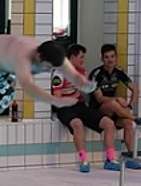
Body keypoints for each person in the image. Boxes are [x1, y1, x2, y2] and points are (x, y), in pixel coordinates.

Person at [0, 35, 95, 143]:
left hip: (4, 68)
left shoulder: (55, 56)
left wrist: (85, 85)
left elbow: (74, 76)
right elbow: (29, 87)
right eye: (47, 67)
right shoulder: (23, 57)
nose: (49, 71)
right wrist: (56, 101)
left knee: (0, 107)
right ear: (39, 57)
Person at [52, 44, 122, 173]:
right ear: (72, 57)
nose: (83, 60)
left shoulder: (82, 72)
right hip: (65, 108)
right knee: (77, 124)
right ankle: (83, 161)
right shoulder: (59, 73)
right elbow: (57, 97)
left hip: (79, 105)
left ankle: (111, 159)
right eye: (81, 57)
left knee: (109, 123)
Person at [88, 44, 141, 169]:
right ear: (102, 59)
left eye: (112, 56)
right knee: (113, 104)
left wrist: (130, 106)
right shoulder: (96, 74)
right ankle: (110, 159)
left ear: (116, 57)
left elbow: (135, 89)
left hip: (115, 111)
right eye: (106, 57)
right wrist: (118, 99)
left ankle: (130, 157)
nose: (110, 60)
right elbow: (100, 99)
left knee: (128, 122)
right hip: (99, 110)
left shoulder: (119, 72)